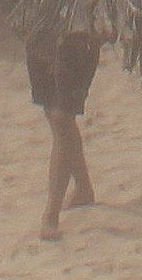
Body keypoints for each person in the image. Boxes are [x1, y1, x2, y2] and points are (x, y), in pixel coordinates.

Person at [26, 32, 104, 240]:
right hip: (43, 29)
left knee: (61, 116)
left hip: (76, 34)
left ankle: (51, 214)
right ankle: (83, 189)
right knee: (53, 112)